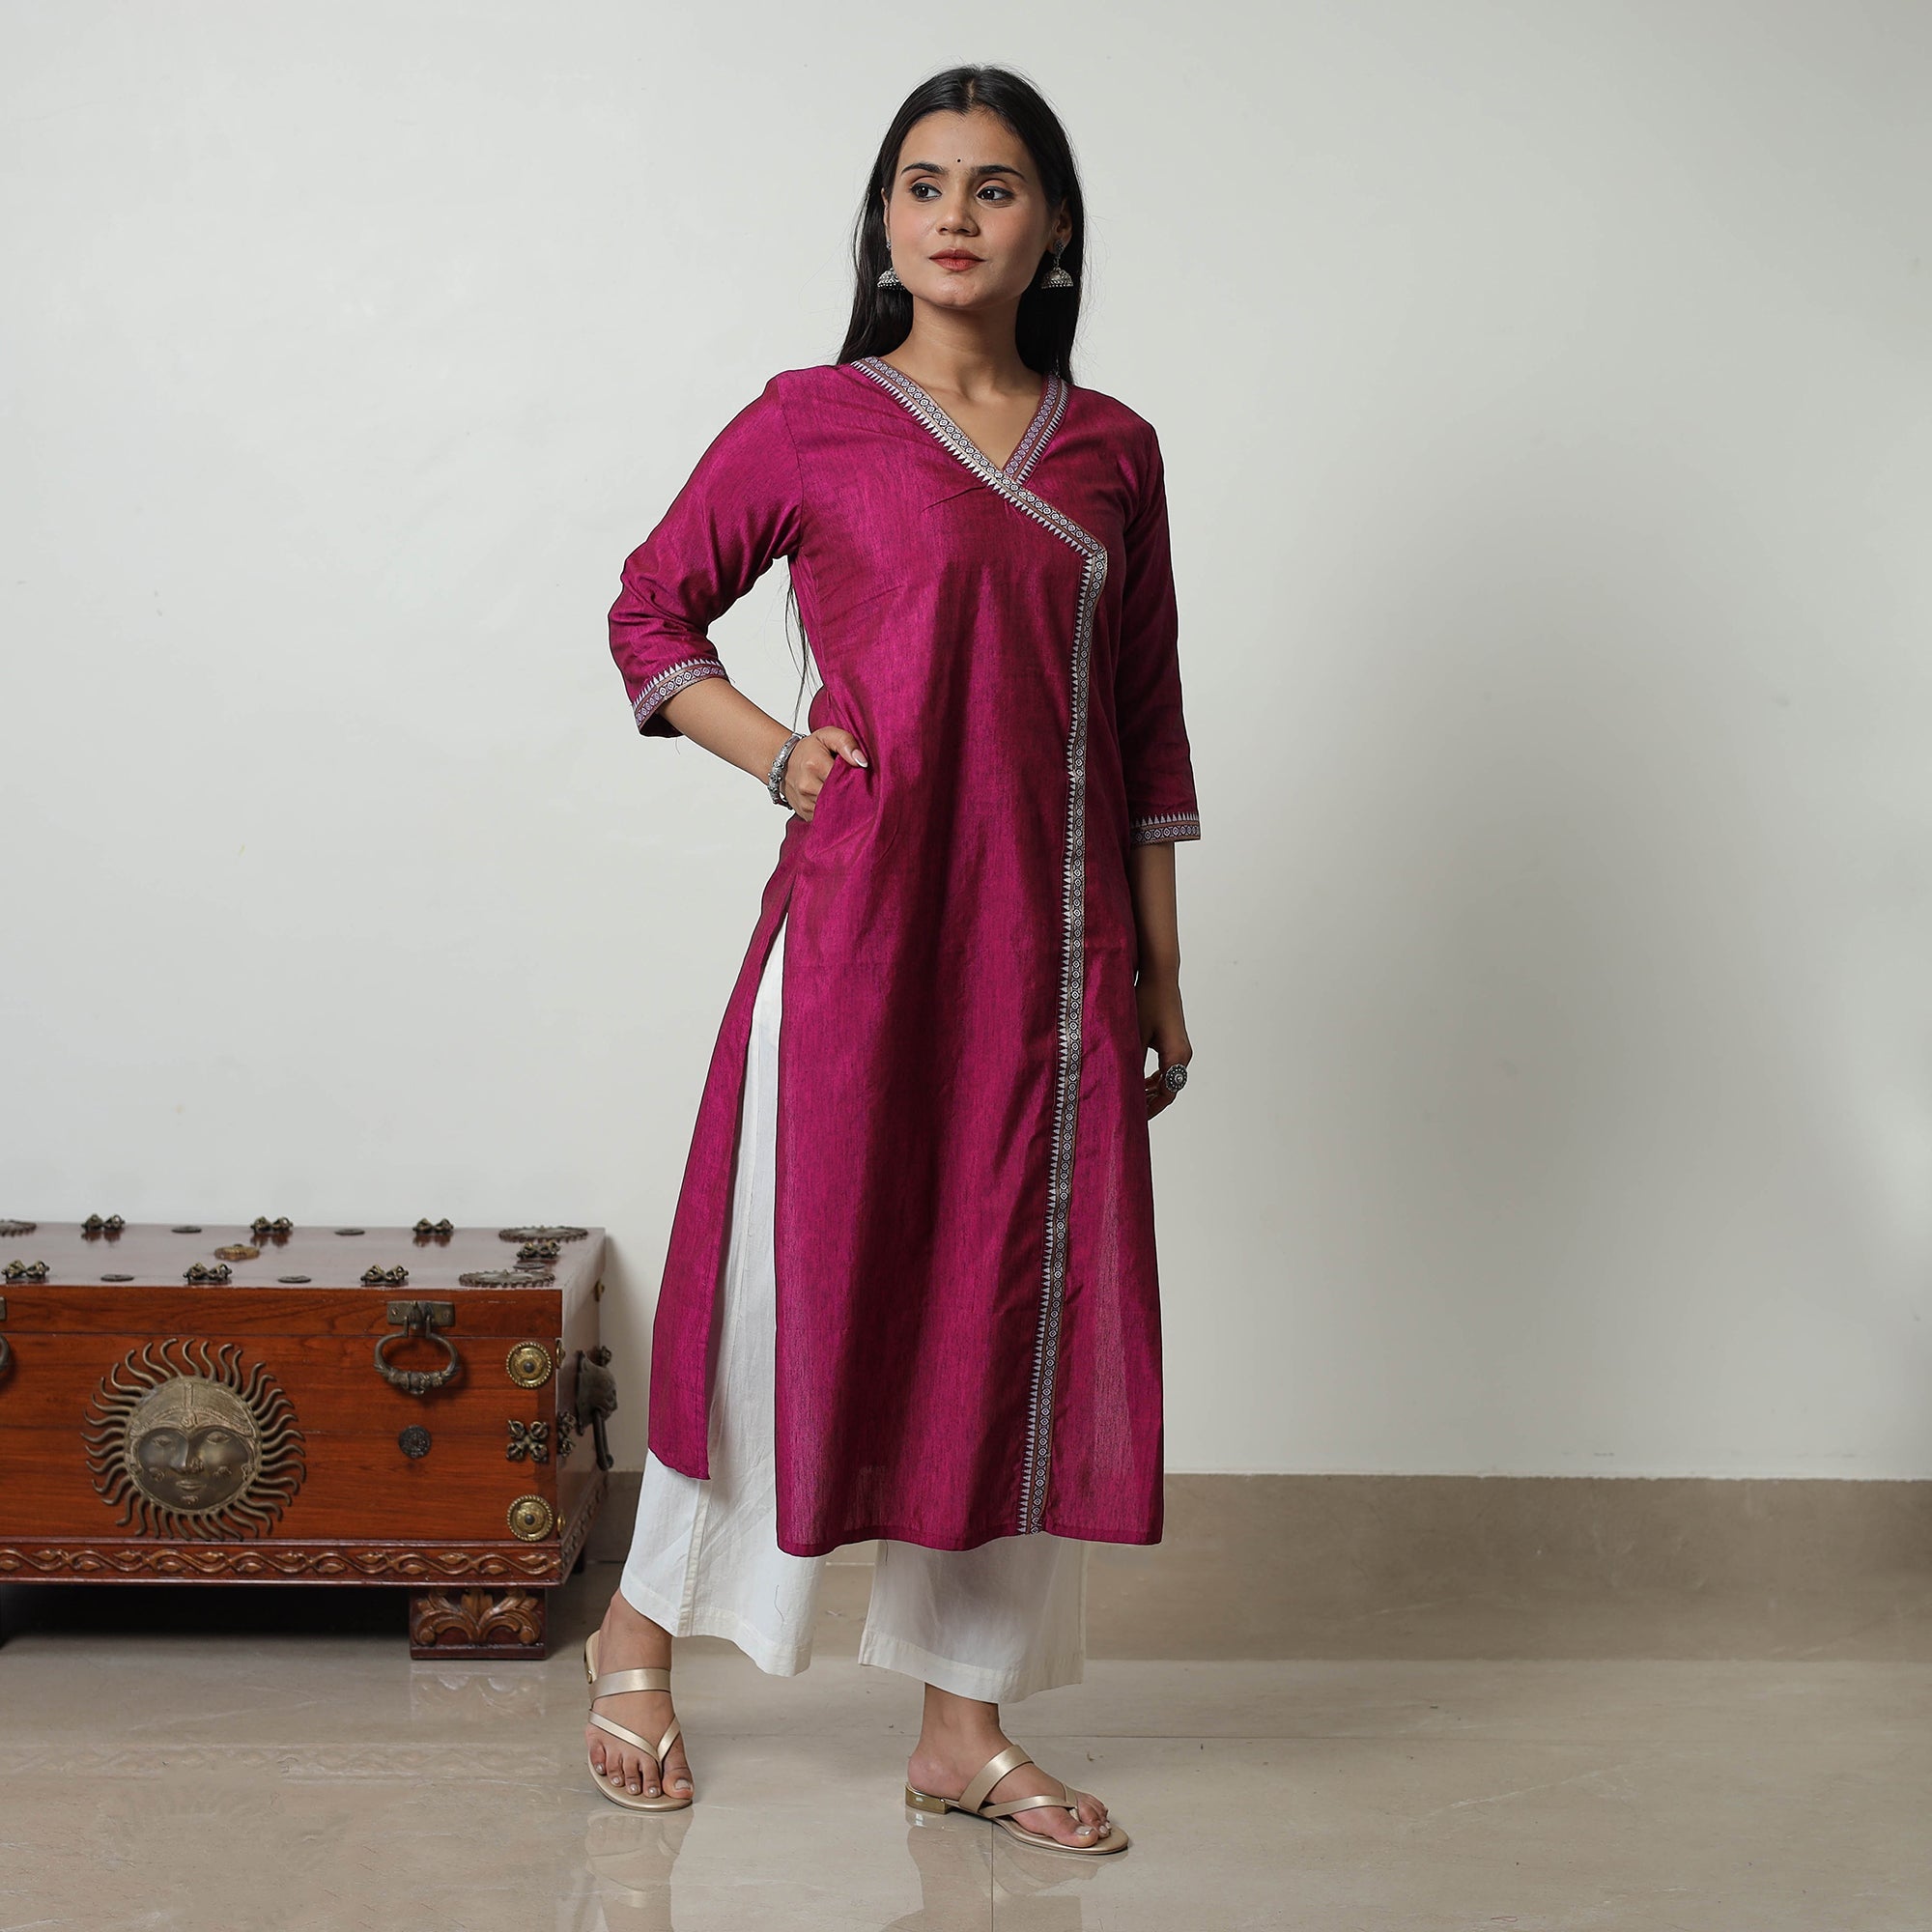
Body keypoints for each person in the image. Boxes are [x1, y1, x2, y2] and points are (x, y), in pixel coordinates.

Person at [587, 63, 1201, 1856]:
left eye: (994, 187)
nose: (954, 216)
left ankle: (962, 1728)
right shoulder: (812, 422)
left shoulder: (1112, 450)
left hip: (1053, 961)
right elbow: (649, 610)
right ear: (881, 220)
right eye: (922, 185)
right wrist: (779, 754)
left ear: (1053, 227)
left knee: (1012, 1306)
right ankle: (640, 1634)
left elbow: (1145, 725)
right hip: (863, 933)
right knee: (779, 1290)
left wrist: (1160, 973)